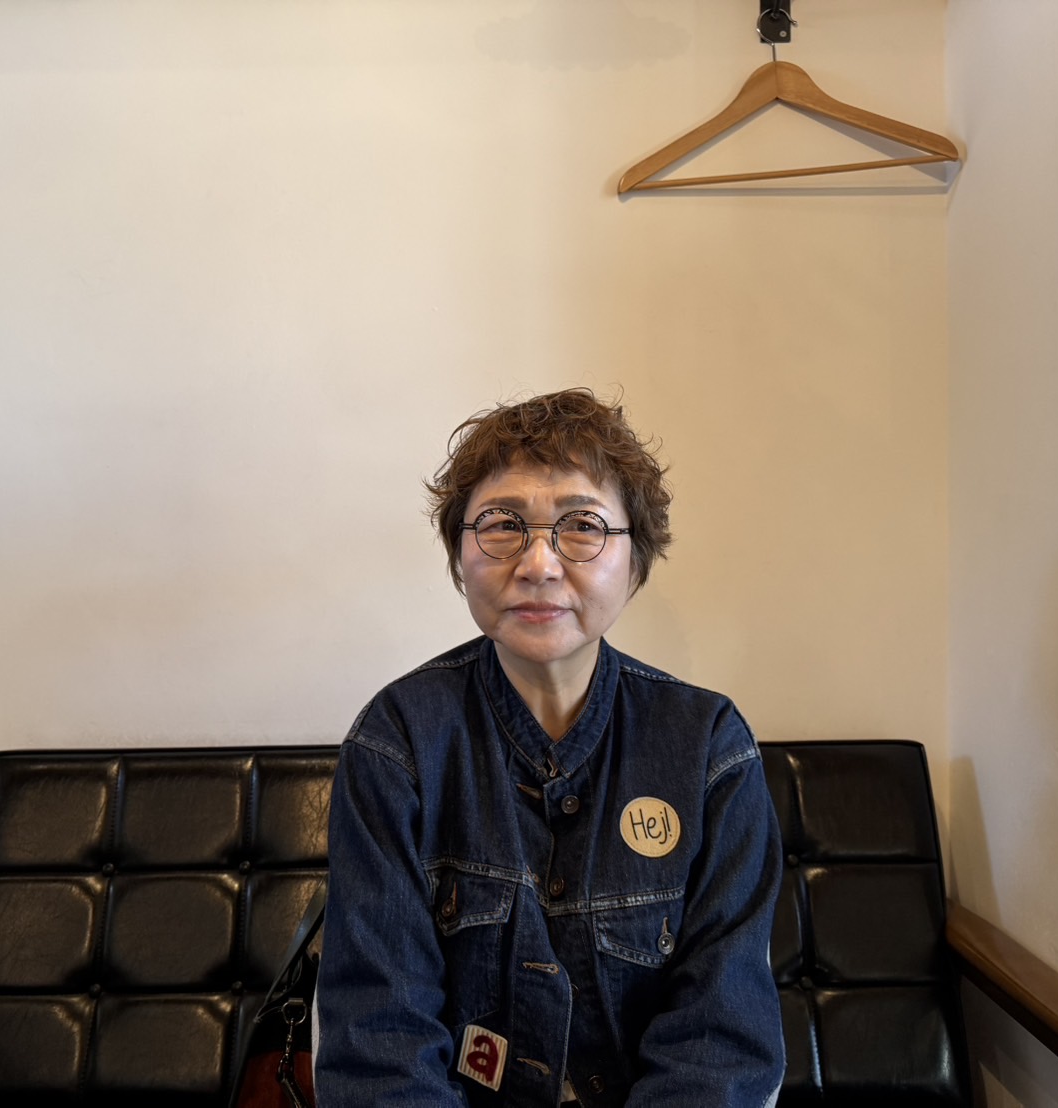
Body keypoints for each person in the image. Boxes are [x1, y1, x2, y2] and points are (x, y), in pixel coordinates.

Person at [315, 389, 784, 1107]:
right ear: (459, 555)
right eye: (503, 524)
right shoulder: (396, 742)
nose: (538, 563)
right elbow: (380, 1041)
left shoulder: (708, 748)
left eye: (582, 526)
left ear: (635, 560)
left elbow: (721, 1039)